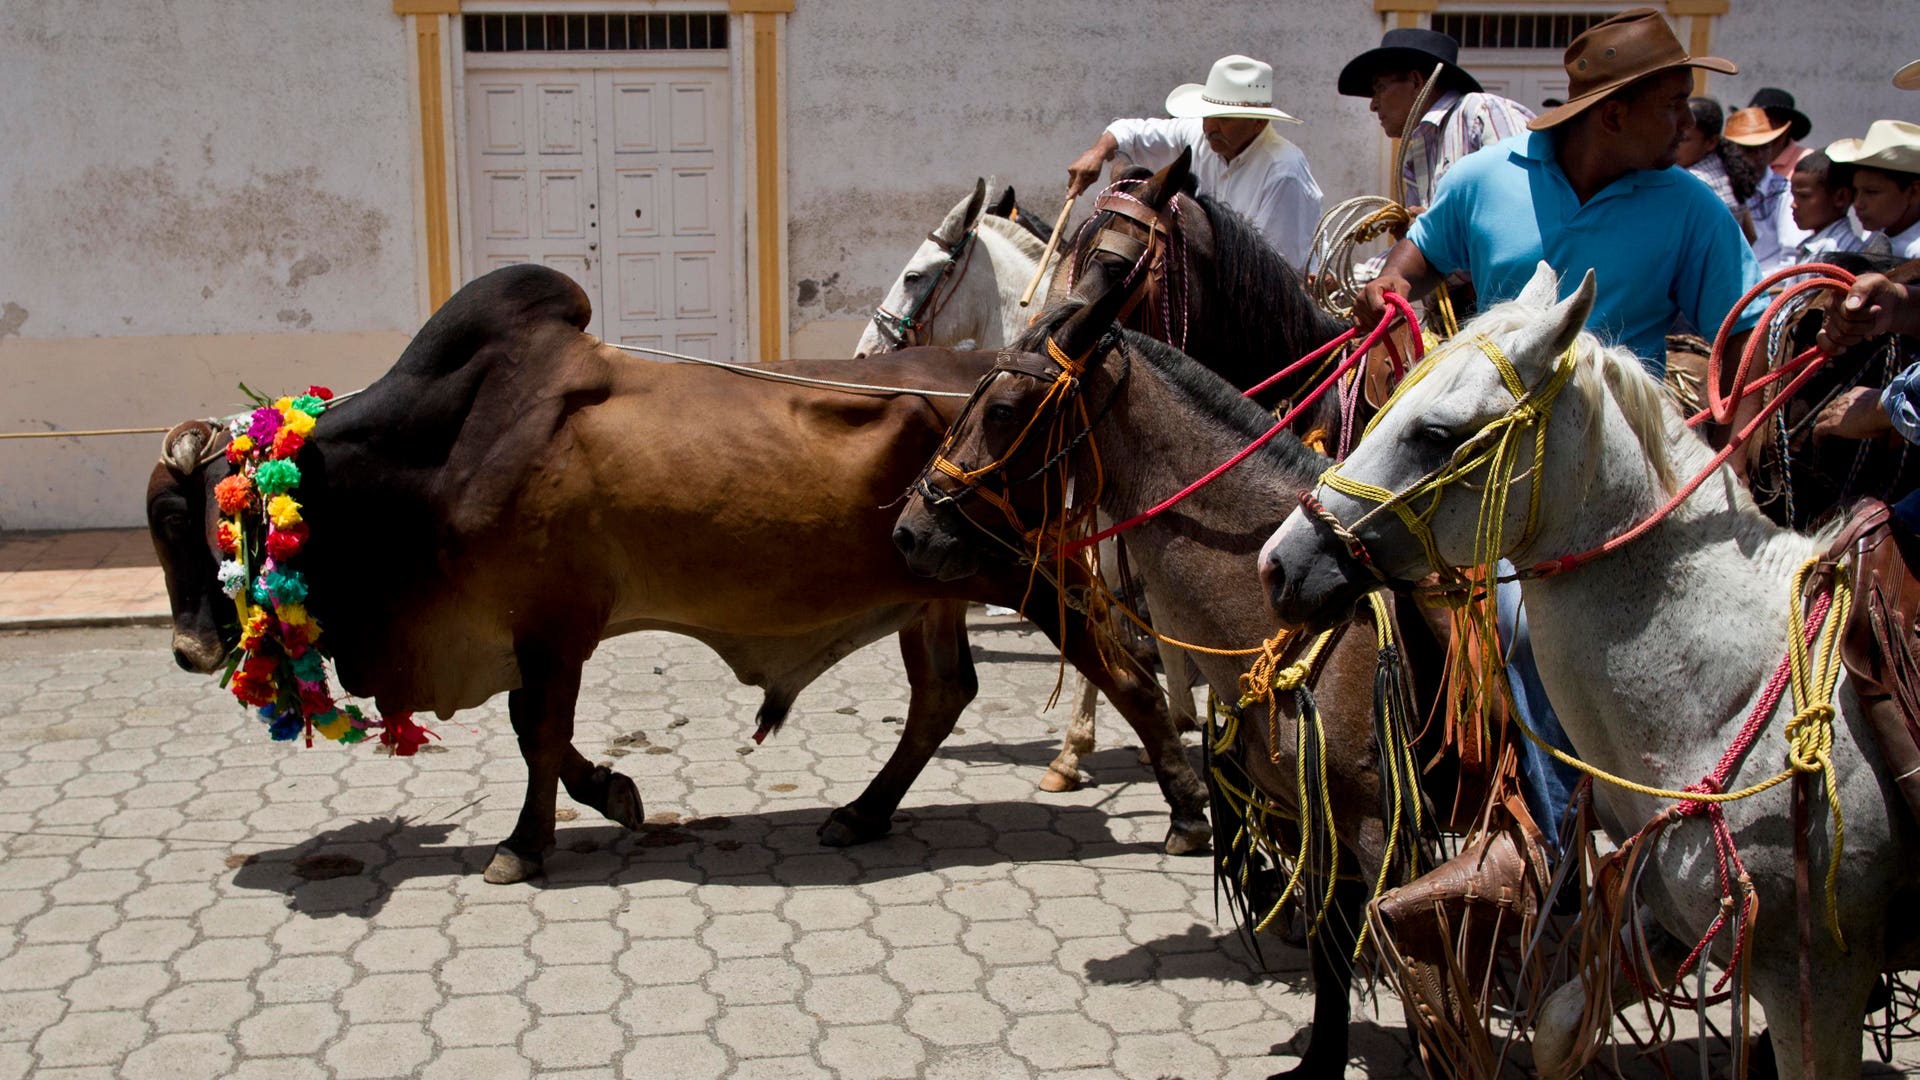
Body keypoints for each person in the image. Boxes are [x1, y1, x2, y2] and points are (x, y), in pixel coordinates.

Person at [1356, 7, 1762, 842]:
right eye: (1671, 104)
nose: (1688, 123)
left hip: (1624, 477)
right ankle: (1557, 837)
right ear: (1612, 113)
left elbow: (1743, 343)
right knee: (1510, 626)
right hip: (1494, 465)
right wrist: (1392, 302)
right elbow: (1413, 265)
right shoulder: (1483, 179)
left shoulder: (1691, 209)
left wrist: (1737, 446)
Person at [1065, 55, 1322, 266]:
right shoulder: (1199, 134)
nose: (1209, 127)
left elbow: (1277, 268)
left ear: (1258, 122)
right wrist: (1097, 152)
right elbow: (1131, 132)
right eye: (1206, 115)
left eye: (1225, 118)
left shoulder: (1284, 171)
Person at [1336, 28, 1536, 212]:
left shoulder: (1480, 112)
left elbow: (1525, 206)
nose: (1373, 105)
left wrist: (1439, 232)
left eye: (1380, 88)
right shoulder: (1416, 156)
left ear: (1416, 82)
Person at [1724, 106, 1814, 273]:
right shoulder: (1721, 187)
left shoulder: (1784, 192)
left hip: (1765, 287)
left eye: (1765, 147)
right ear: (1731, 151)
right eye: (1749, 150)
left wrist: (1755, 284)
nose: (1758, 157)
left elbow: (1792, 256)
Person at [1827, 120, 1920, 259]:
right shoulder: (1876, 235)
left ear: (1914, 192)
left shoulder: (1915, 251)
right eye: (1856, 191)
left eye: (1871, 192)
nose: (1858, 204)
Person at [1678, 97, 1759, 239]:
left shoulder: (1693, 182)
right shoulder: (1729, 171)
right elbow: (1750, 236)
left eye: (1683, 139)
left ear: (1711, 142)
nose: (1674, 144)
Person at [1790, 150, 1891, 260]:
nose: (1793, 204)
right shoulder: (1813, 246)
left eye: (1804, 196)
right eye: (1793, 196)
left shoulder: (1839, 253)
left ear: (1840, 197)